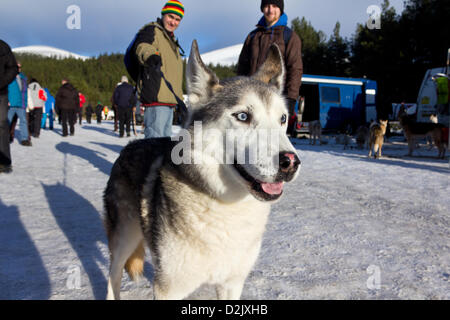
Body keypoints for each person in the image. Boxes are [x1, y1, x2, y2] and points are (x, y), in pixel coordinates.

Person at [237, 0, 303, 125]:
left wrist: (290, 98)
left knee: (271, 140)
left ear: (280, 9)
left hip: (274, 99)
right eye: (267, 6)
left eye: (274, 6)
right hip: (251, 99)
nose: (270, 10)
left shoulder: (289, 37)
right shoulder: (252, 37)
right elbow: (242, 68)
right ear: (262, 8)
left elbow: (295, 69)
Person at [132, 0, 185, 138]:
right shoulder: (152, 30)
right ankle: (149, 160)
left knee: (164, 143)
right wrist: (151, 55)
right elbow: (142, 45)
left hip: (169, 100)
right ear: (163, 14)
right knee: (154, 142)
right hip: (156, 97)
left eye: (177, 19)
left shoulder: (171, 40)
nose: (173, 22)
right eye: (170, 17)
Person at [0, 40, 18, 173]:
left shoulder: (3, 47)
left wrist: (1, 82)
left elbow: (13, 68)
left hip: (1, 93)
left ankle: (5, 161)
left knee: (1, 125)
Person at [8, 61, 31, 146]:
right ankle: (5, 138)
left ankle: (25, 139)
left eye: (20, 67)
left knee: (23, 121)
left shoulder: (23, 78)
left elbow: (25, 92)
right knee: (7, 121)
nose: (19, 69)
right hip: (11, 103)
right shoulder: (8, 77)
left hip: (21, 104)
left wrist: (26, 103)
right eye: (17, 67)